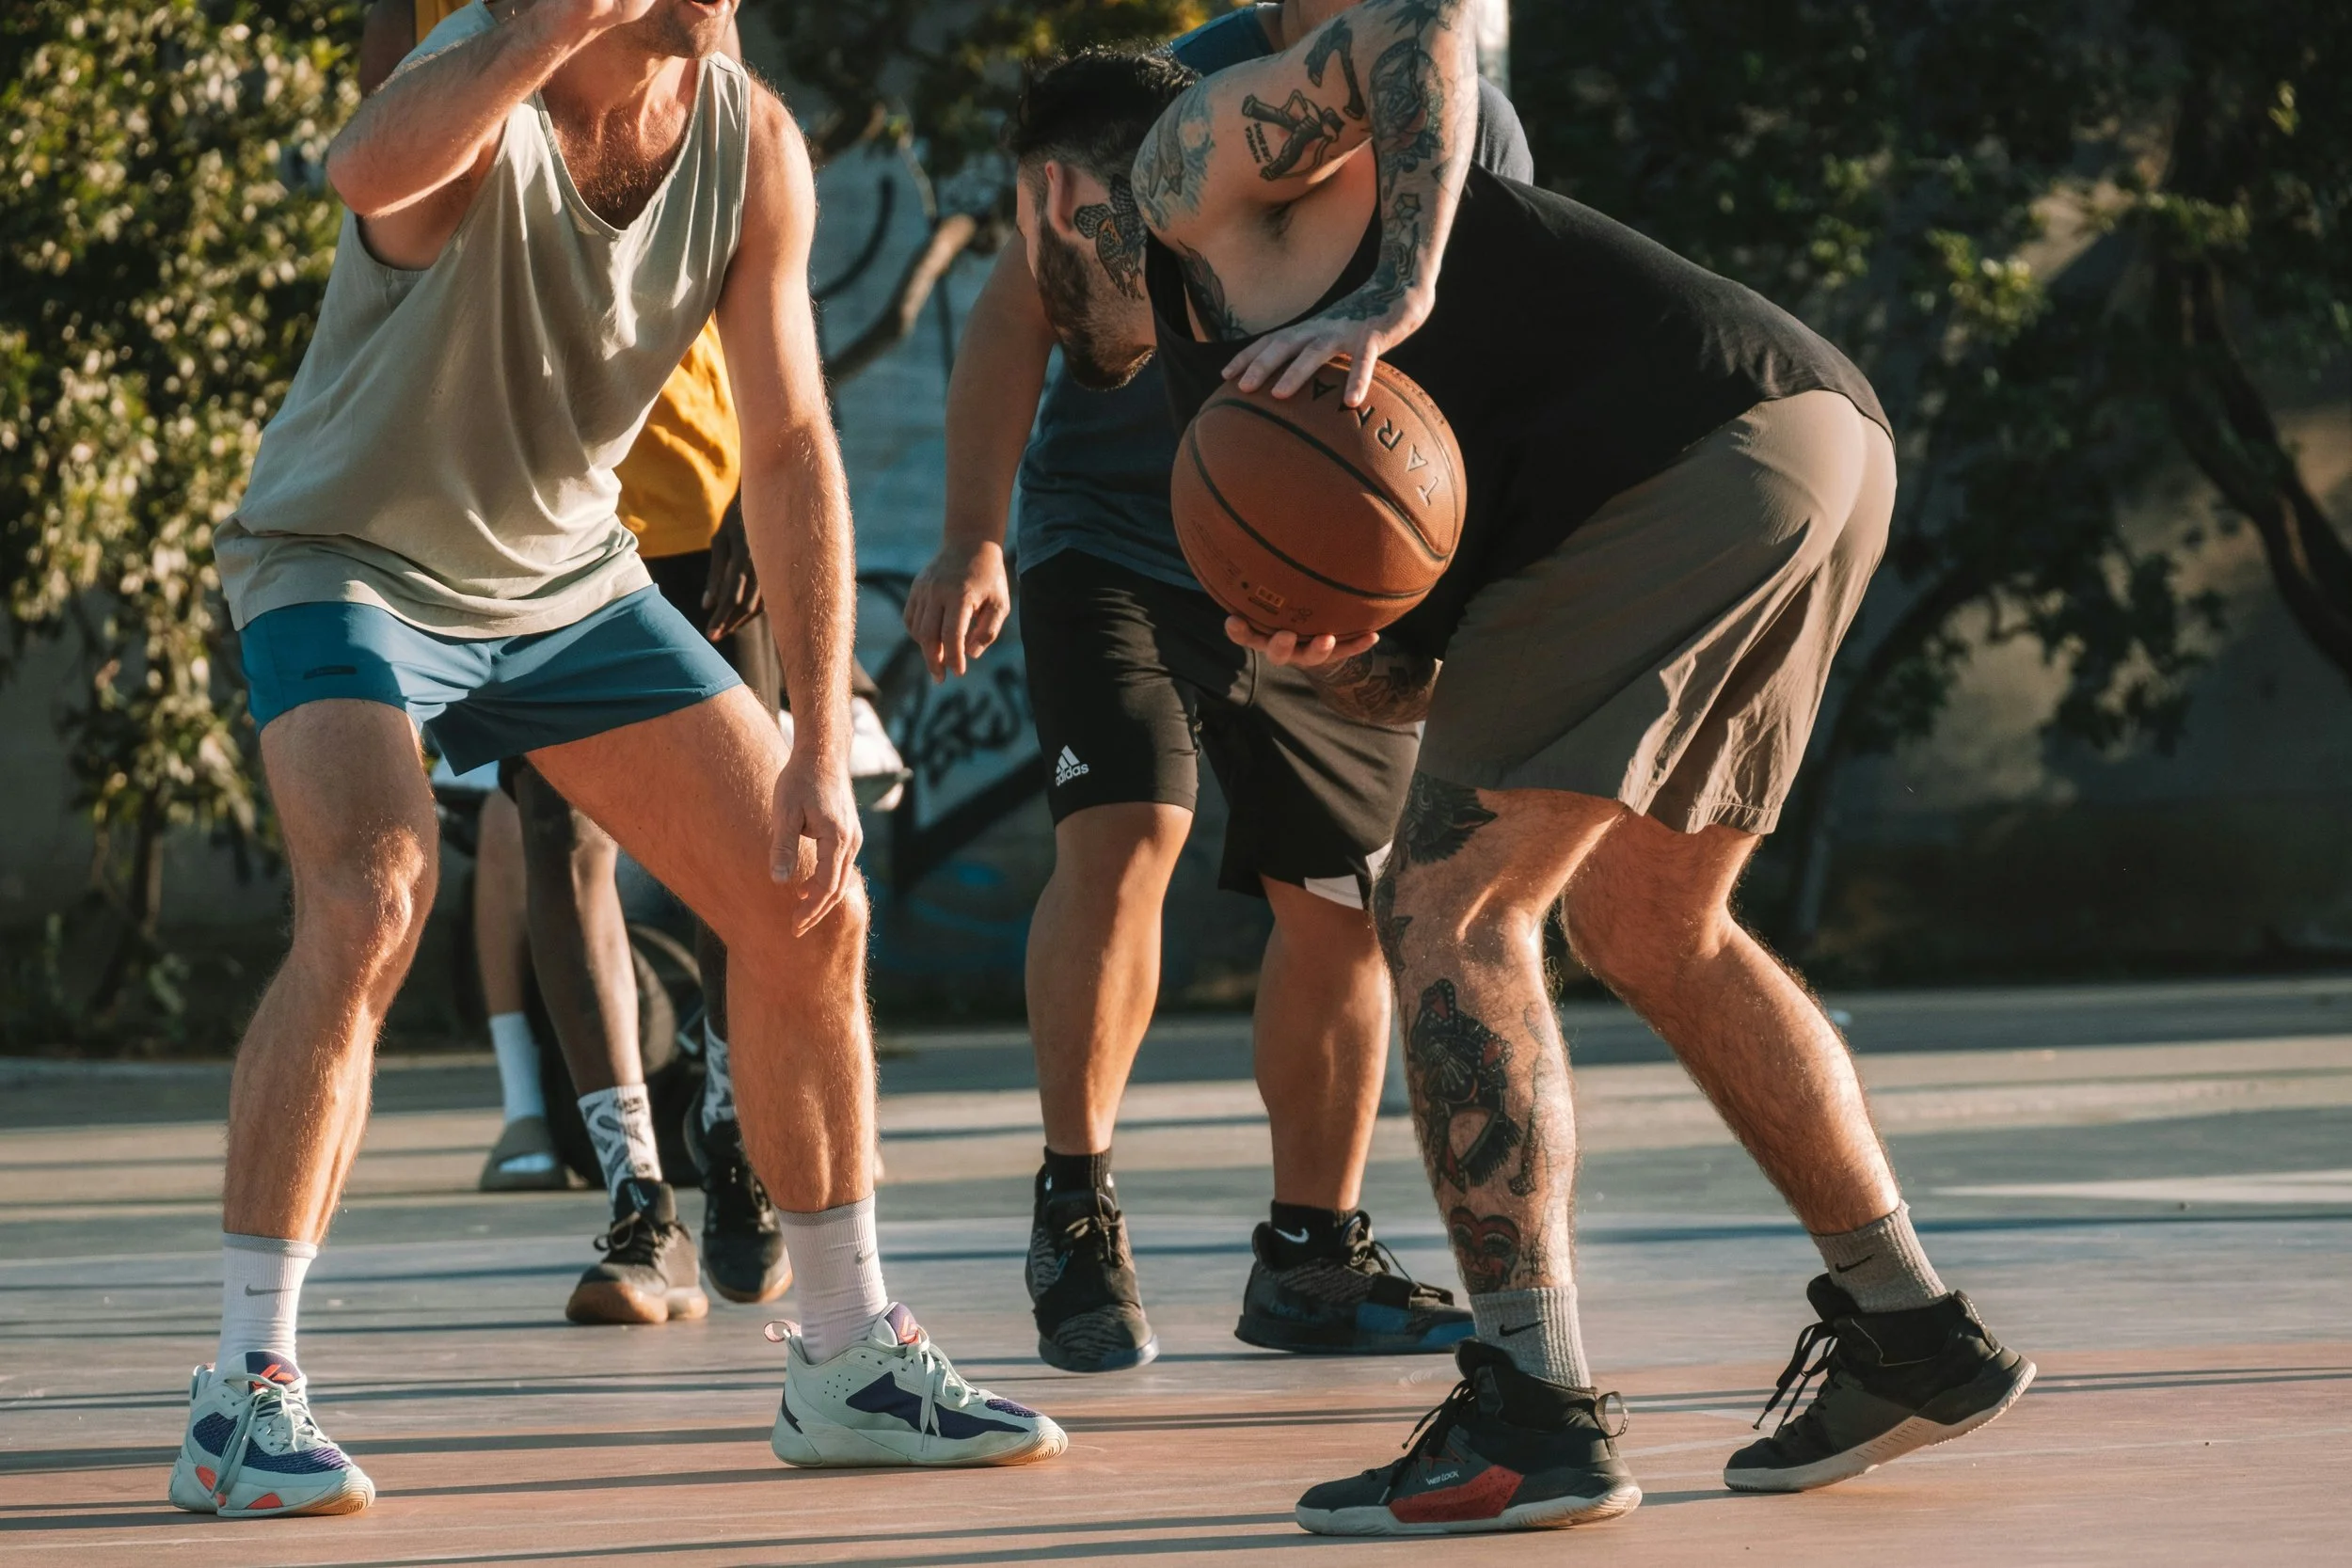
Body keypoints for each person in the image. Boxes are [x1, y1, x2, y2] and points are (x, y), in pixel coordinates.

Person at [1006, 0, 2033, 1535]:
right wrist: (1331, 657)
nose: (1023, 276)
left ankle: (1532, 1411)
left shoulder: (1182, 171)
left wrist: (1400, 291)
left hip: (1685, 464)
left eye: (1017, 227)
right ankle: (1913, 1326)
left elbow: (1408, 22)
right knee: (1649, 924)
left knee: (1445, 906)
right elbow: (1438, 665)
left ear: (1057, 202)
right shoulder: (1225, 350)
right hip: (1807, 443)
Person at [172, 0, 1063, 1522]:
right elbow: (365, 170)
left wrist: (811, 746)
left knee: (806, 896)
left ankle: (846, 1355)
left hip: (570, 585)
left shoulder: (749, 138)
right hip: (346, 559)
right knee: (377, 891)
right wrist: (534, 24)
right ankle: (240, 1396)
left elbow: (786, 444)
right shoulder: (492, 92)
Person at [903, 0, 1529, 1375]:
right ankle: (1077, 1209)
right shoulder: (1184, 97)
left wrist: (1407, 602)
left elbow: (1473, 380)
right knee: (1129, 834)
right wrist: (973, 534)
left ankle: (1311, 1255)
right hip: (1116, 534)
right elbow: (1020, 303)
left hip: (1312, 566)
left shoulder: (1468, 130)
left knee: (1345, 909)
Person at [369, 0, 786, 1317]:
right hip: (529, 505)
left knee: (756, 845)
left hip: (694, 480)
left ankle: (741, 1137)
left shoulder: (699, 42)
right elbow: (386, 208)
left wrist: (754, 494)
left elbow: (727, 174)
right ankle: (634, 1198)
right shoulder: (427, 15)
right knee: (555, 835)